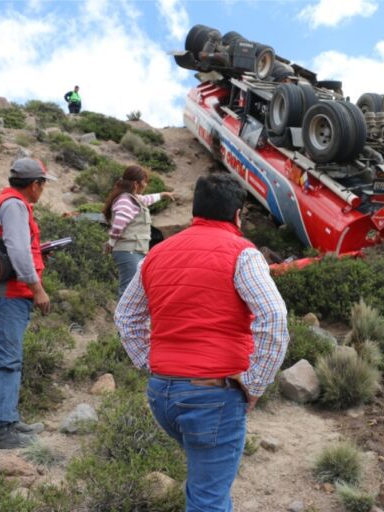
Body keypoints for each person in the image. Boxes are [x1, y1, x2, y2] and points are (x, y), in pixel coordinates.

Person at [115, 173, 289, 511]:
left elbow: (126, 316)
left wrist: (152, 364)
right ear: (238, 215)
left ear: (196, 210)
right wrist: (255, 384)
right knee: (208, 497)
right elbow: (274, 319)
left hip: (163, 394)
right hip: (213, 395)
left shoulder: (157, 253)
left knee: (207, 485)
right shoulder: (243, 254)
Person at [0, 158, 56, 449]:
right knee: (5, 363)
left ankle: (8, 420)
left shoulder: (8, 202)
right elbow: (18, 250)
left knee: (9, 361)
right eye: (44, 183)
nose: (44, 189)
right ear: (35, 184)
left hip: (4, 293)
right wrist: (38, 289)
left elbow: (16, 249)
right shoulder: (15, 206)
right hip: (6, 295)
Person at [102, 165, 175, 298]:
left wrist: (163, 195)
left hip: (134, 250)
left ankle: (126, 318)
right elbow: (119, 224)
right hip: (129, 250)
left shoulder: (132, 198)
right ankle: (122, 318)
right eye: (144, 181)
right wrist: (111, 242)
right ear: (136, 183)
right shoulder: (126, 200)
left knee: (133, 289)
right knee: (128, 290)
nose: (146, 184)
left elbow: (147, 199)